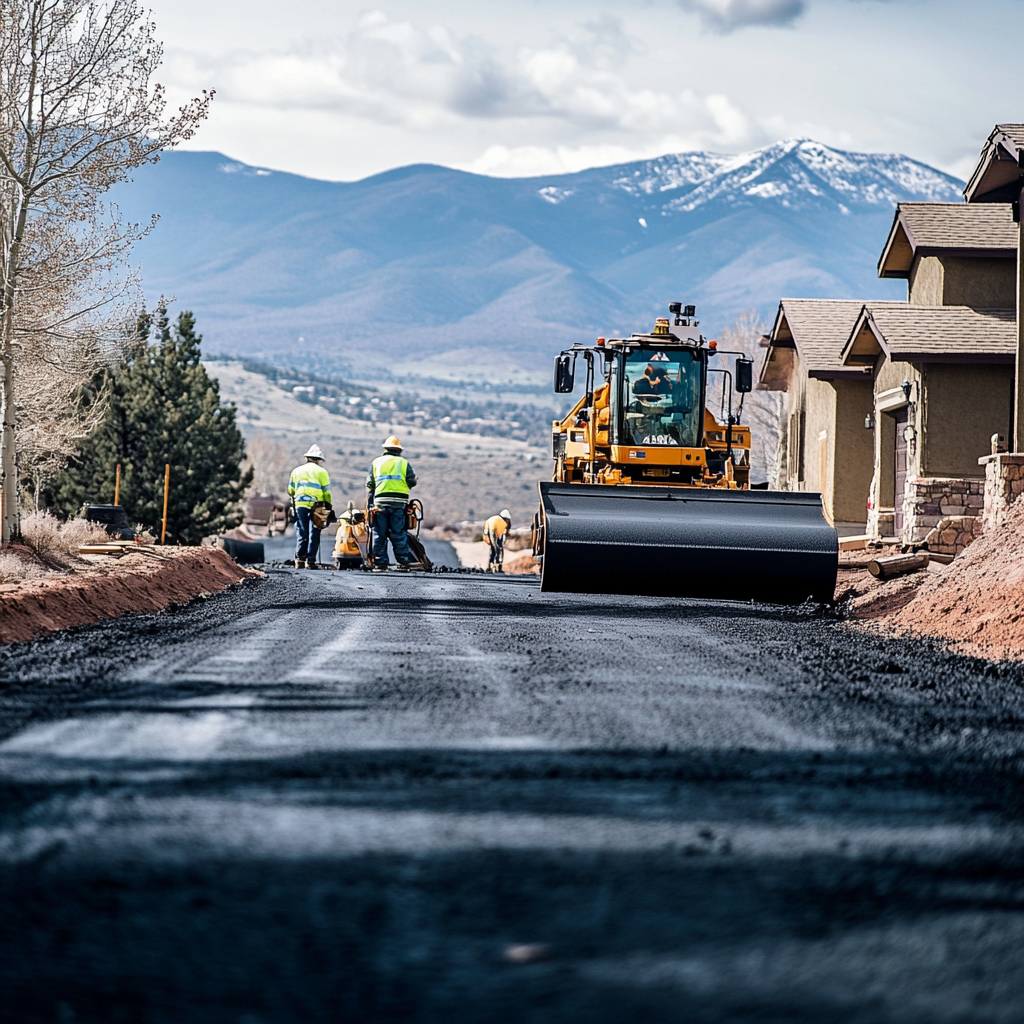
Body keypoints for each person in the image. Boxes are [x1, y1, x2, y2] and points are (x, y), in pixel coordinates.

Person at [366, 435, 419, 571]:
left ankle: (380, 562)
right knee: (398, 533)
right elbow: (411, 481)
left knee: (379, 533)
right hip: (399, 503)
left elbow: (370, 484)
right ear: (399, 450)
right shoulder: (403, 463)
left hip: (380, 503)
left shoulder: (376, 462)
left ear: (385, 449)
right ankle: (403, 561)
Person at [288, 444, 332, 569]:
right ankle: (311, 561)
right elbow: (326, 492)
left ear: (307, 458)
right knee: (315, 532)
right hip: (317, 505)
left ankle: (300, 560)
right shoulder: (322, 472)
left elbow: (290, 490)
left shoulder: (296, 471)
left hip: (300, 504)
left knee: (302, 532)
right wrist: (328, 506)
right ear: (318, 459)